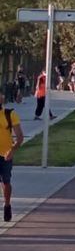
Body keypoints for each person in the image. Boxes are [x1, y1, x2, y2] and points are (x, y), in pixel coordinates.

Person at [1, 92, 25, 222]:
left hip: (5, 154)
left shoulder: (10, 114)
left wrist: (12, 150)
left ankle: (7, 204)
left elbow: (20, 137)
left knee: (6, 182)